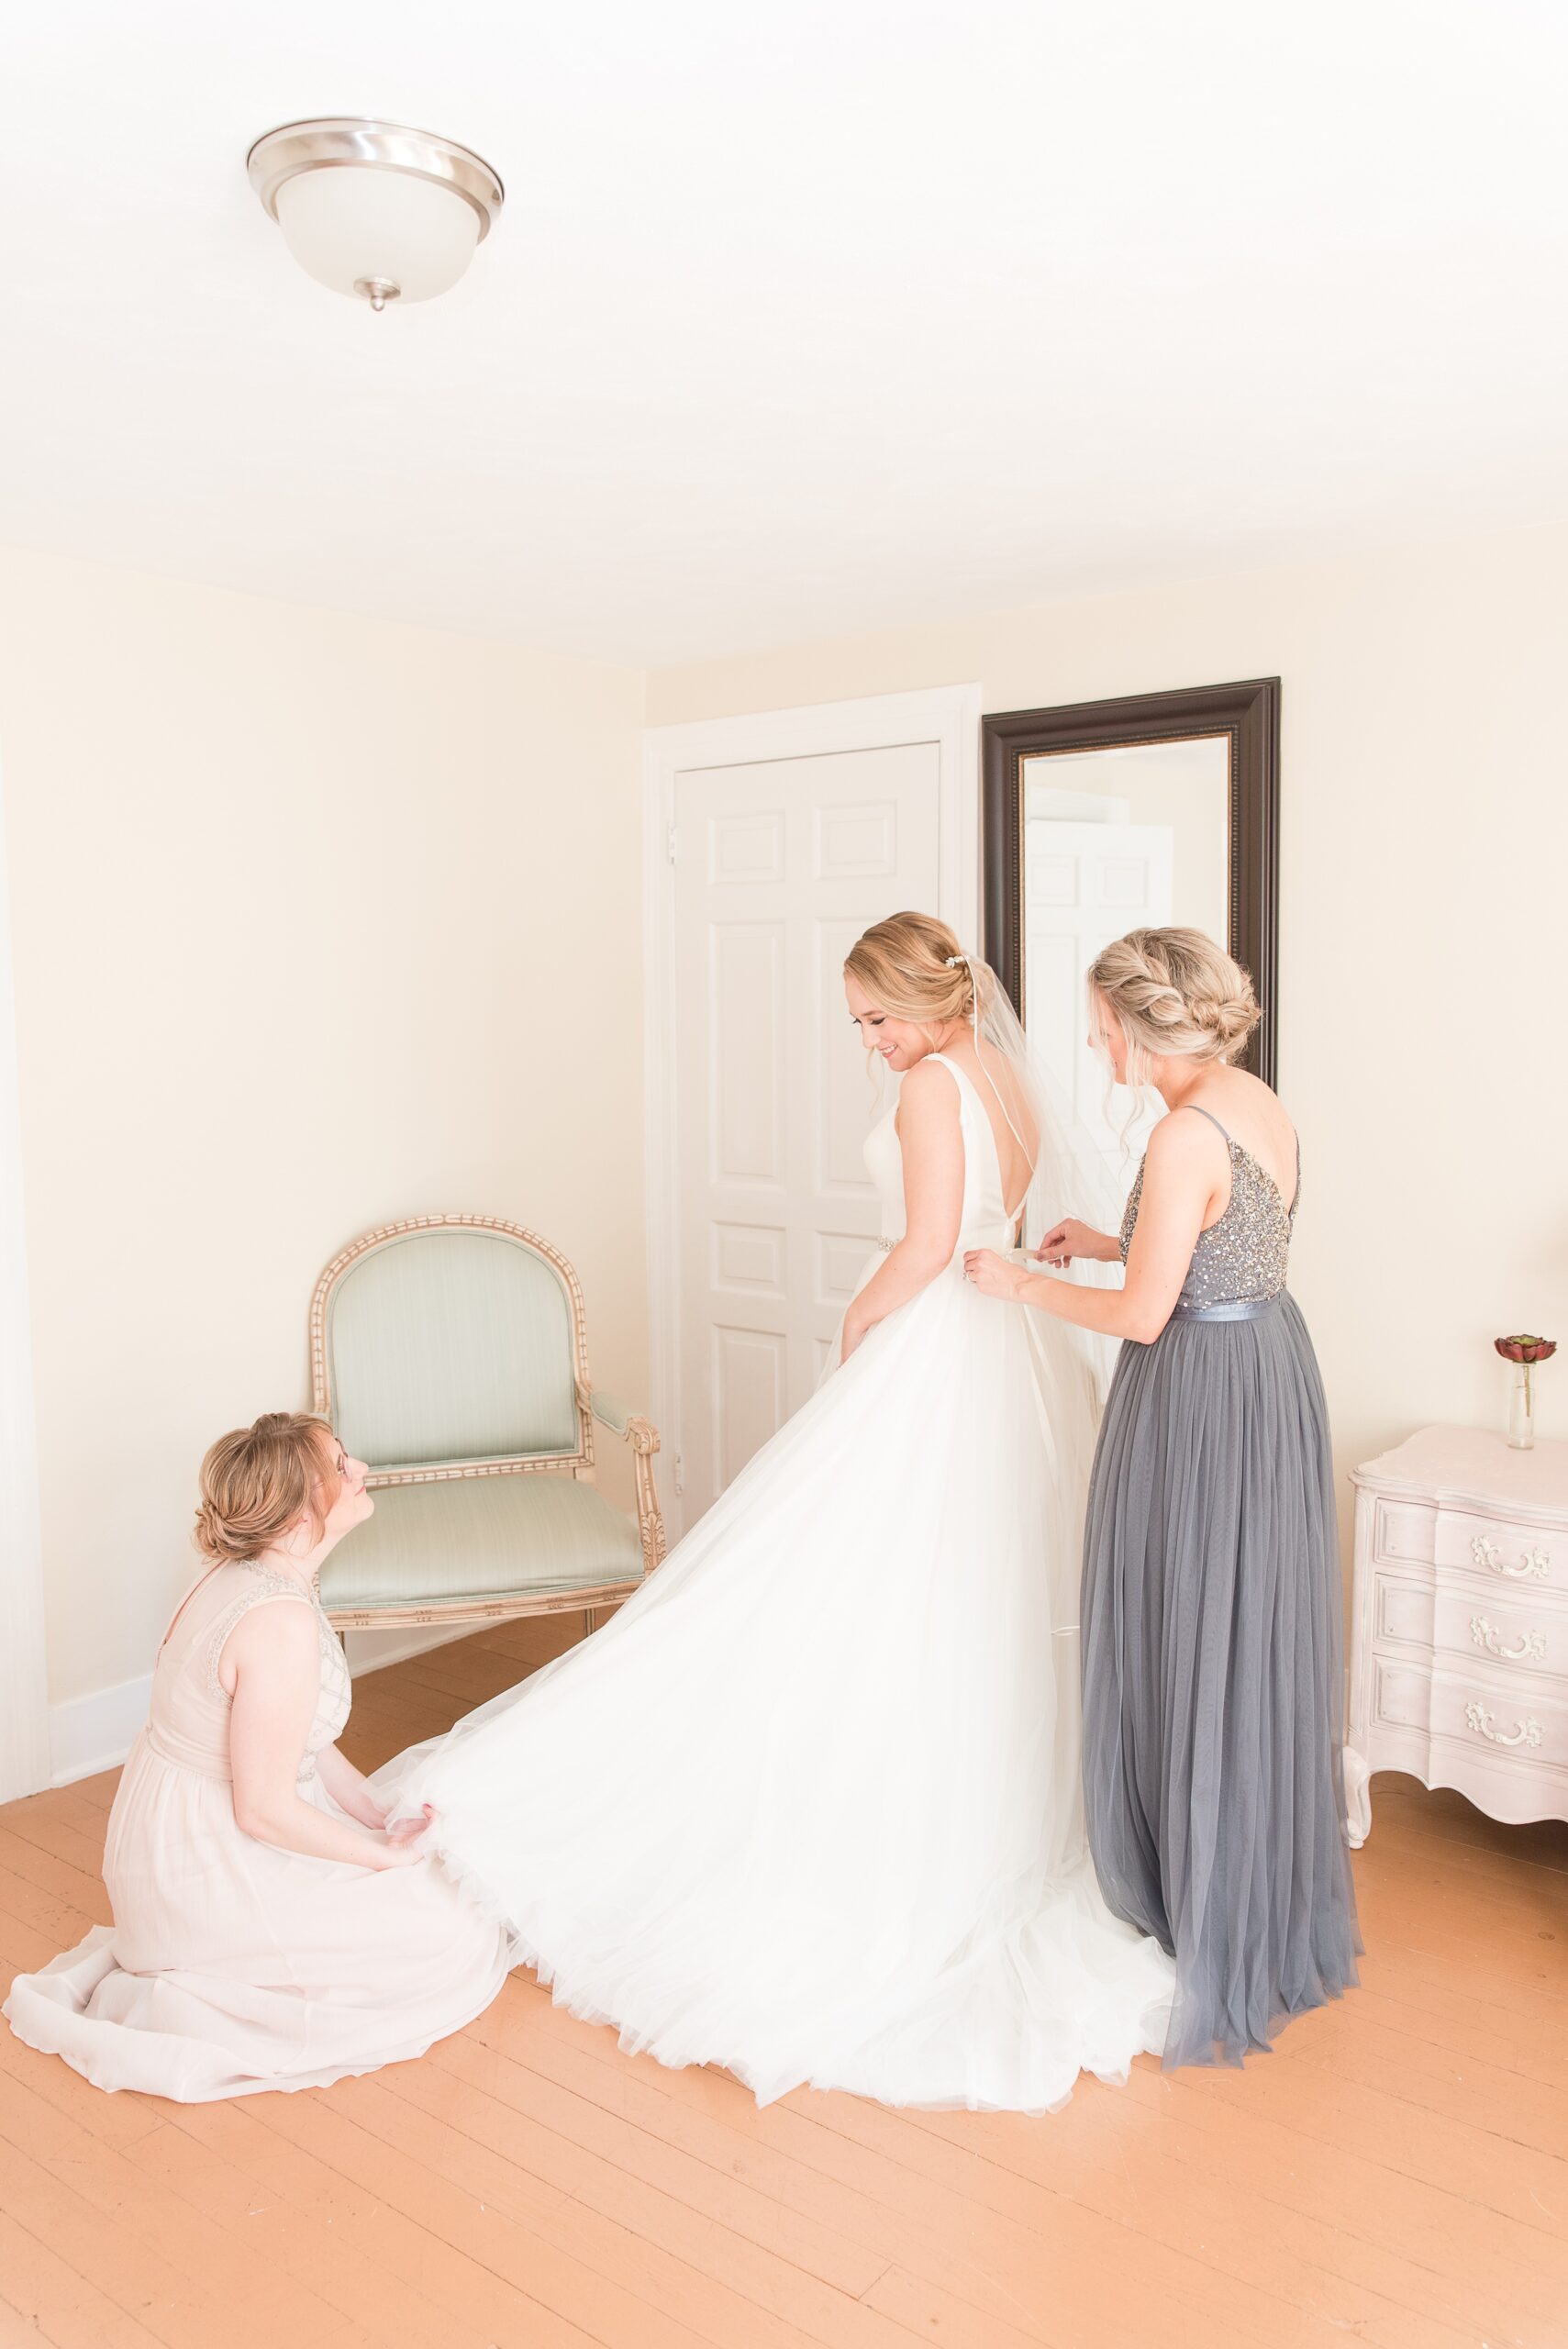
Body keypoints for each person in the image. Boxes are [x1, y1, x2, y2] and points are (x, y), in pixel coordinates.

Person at [373, 912, 1173, 2114]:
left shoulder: (930, 1089)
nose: (870, 1044)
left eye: (878, 1018)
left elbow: (918, 1245)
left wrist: (858, 1337)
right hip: (1006, 1341)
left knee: (853, 1575)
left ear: (929, 1000)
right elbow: (983, 1228)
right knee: (963, 1584)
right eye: (860, 1024)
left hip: (933, 1336)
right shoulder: (1003, 1074)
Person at [965, 926, 1361, 2067]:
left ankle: (1193, 1889)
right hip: (1265, 1368)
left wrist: (1026, 1281)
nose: (1096, 1051)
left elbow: (1148, 1315)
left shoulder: (1183, 1132)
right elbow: (1216, 1246)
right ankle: (1237, 1873)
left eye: (1100, 1031)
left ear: (1144, 1025)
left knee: (1189, 1617)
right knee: (1241, 1623)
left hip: (1197, 1388)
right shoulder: (1250, 1100)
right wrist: (1106, 1237)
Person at [4, 1412, 511, 2099]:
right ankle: (209, 1950)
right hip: (202, 1863)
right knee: (452, 1931)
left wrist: (374, 1811)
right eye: (340, 1467)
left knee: (439, 1864)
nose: (359, 1471)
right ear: (302, 1511)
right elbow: (263, 1810)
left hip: (172, 1830)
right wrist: (383, 1855)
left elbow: (300, 1738)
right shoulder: (277, 1620)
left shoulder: (251, 1575)